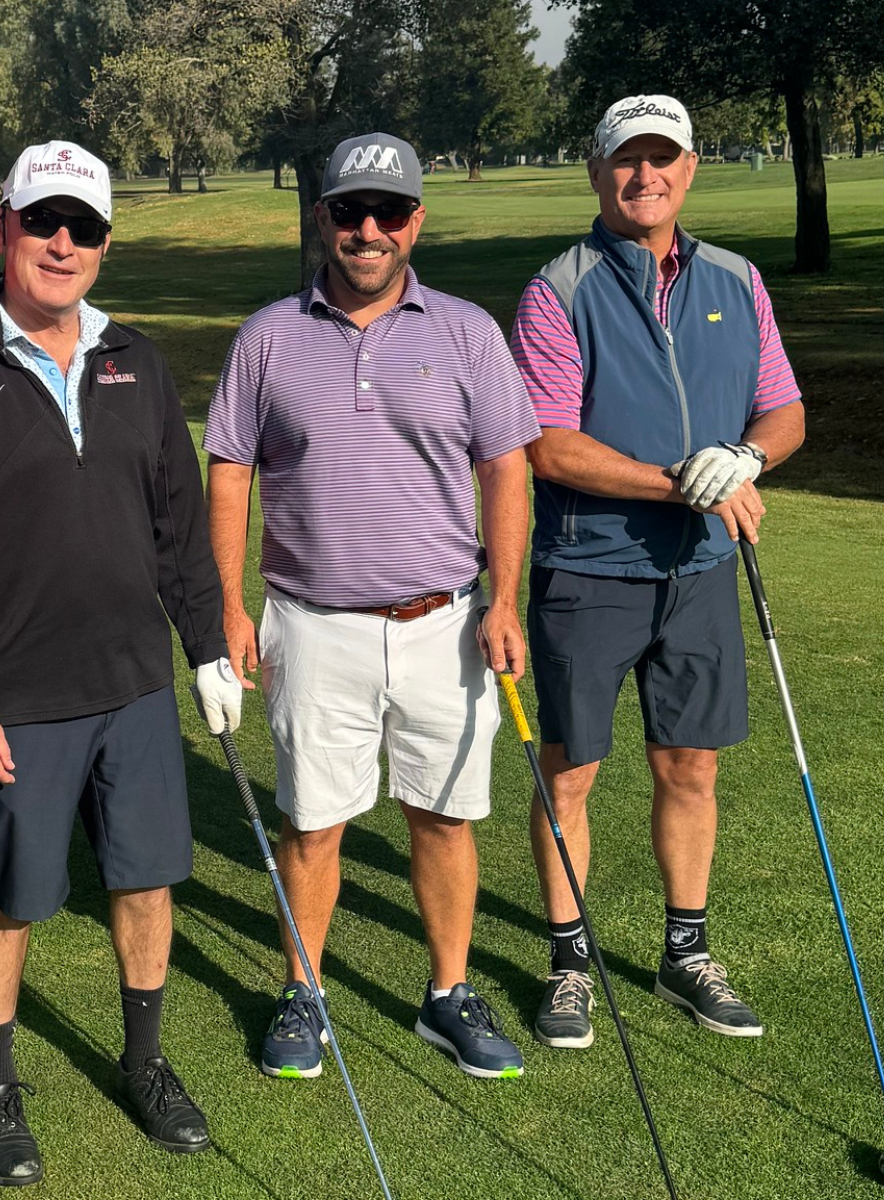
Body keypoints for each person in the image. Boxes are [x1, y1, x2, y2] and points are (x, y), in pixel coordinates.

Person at [0, 140, 243, 1187]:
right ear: (2, 226)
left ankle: (146, 1061)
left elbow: (179, 530)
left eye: (83, 229)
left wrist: (210, 652)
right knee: (15, 896)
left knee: (146, 881)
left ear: (102, 244)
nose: (61, 244)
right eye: (43, 222)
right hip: (19, 702)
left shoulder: (135, 362)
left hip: (134, 684)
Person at [205, 132, 541, 1081]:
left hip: (445, 619)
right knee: (313, 824)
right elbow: (229, 470)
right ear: (322, 219)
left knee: (442, 817)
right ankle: (302, 991)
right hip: (311, 625)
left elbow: (504, 466)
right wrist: (229, 604)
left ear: (414, 222)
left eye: (385, 214)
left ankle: (447, 993)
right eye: (348, 212)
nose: (365, 231)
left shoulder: (468, 330)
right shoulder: (269, 335)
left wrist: (504, 598)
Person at [509, 95, 805, 1051]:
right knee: (571, 773)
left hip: (703, 572)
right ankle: (566, 961)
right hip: (587, 567)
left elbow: (783, 410)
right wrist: (682, 481)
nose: (645, 177)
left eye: (662, 159)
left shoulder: (736, 278)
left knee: (690, 763)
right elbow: (547, 445)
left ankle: (686, 952)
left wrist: (748, 461)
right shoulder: (559, 287)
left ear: (690, 168)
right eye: (626, 161)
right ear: (596, 173)